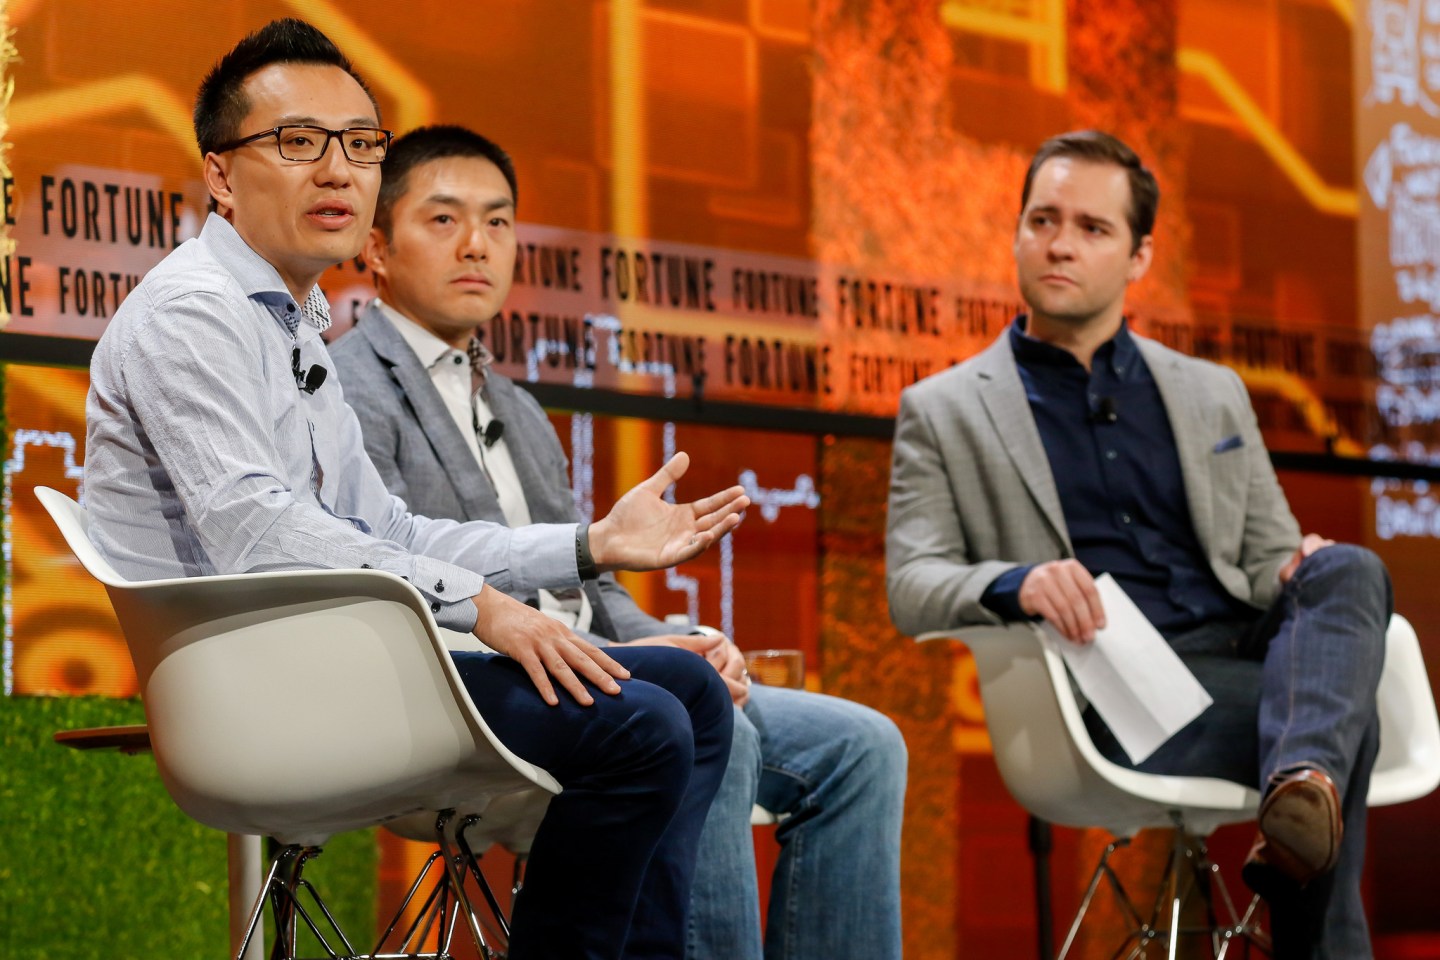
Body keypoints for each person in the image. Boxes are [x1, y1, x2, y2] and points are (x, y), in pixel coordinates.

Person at [83, 19, 751, 960]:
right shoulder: (192, 311)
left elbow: (386, 526)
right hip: (265, 701)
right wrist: (483, 606)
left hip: (344, 665)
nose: (338, 171)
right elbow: (255, 532)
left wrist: (589, 545)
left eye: (361, 145)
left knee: (690, 691)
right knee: (640, 726)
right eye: (298, 142)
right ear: (221, 175)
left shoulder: (294, 320)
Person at [328, 124, 907, 960]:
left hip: (602, 667)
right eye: (444, 219)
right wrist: (644, 662)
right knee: (712, 725)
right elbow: (393, 572)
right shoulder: (347, 388)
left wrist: (680, 640)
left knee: (861, 747)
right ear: (377, 248)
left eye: (498, 222)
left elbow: (592, 588)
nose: (477, 245)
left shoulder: (519, 408)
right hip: (479, 687)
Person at [885, 129, 1390, 959]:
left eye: (1092, 228)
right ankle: (1305, 799)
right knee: (1340, 727)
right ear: (1017, 232)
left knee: (1349, 567)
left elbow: (1267, 554)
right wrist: (1018, 581)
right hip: (1122, 688)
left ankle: (1304, 785)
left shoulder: (1210, 390)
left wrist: (1293, 566)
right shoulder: (945, 409)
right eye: (1043, 220)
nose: (1060, 245)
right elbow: (912, 582)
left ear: (1139, 256)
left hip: (1252, 652)